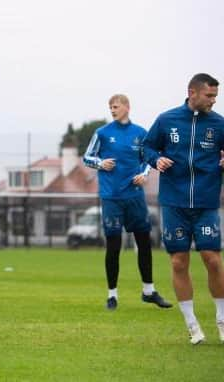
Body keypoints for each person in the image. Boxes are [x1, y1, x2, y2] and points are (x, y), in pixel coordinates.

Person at [143, 73, 224, 344]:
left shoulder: (219, 124)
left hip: (206, 201)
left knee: (212, 259)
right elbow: (146, 147)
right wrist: (157, 159)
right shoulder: (167, 120)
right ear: (192, 92)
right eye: (209, 95)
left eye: (215, 95)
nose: (213, 100)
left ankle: (222, 319)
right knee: (179, 262)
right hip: (174, 202)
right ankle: (192, 325)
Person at [83, 94, 172, 311]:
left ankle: (149, 291)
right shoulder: (102, 133)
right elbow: (87, 157)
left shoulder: (141, 133)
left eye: (115, 106)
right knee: (113, 246)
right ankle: (112, 295)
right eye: (110, 107)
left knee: (144, 242)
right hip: (111, 197)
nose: (112, 110)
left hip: (134, 197)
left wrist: (144, 174)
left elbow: (147, 159)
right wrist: (100, 163)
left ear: (127, 107)